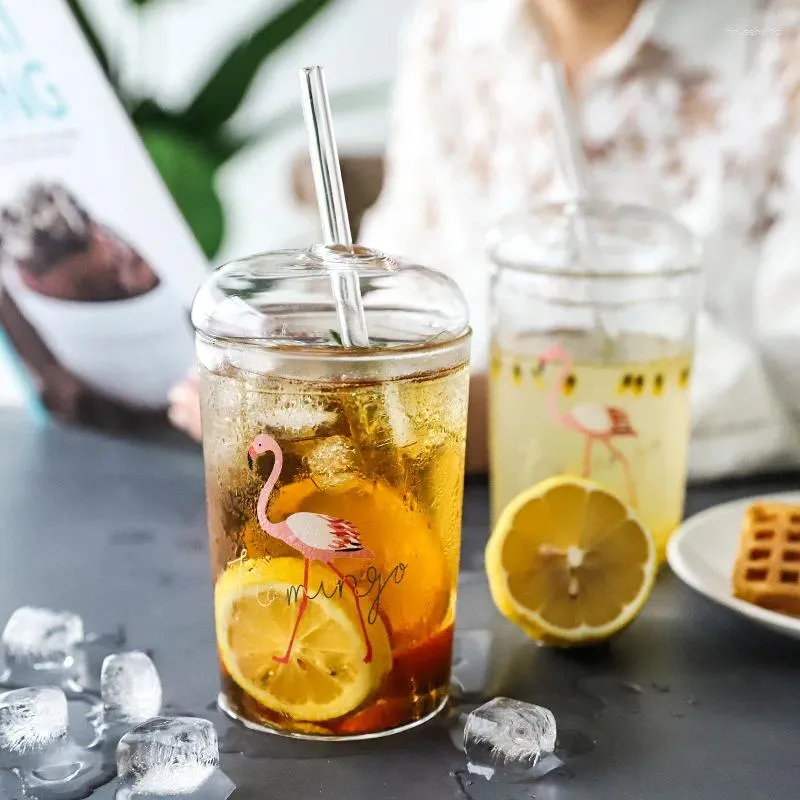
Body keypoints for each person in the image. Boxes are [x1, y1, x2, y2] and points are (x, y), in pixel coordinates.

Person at [171, 0, 800, 480]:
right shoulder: (455, 25)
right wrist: (310, 366)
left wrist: (488, 415)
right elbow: (402, 279)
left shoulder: (776, 42)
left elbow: (788, 375)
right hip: (452, 513)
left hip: (697, 530)